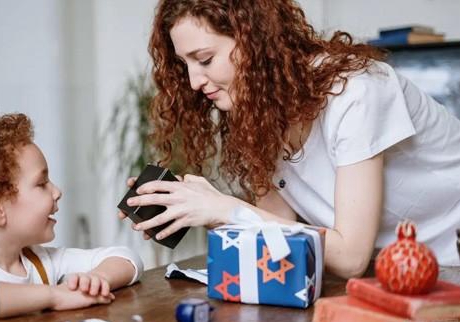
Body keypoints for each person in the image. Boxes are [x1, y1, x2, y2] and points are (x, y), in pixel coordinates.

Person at [119, 0, 460, 278]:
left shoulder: (358, 89)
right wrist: (191, 206)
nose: (194, 81)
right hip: (390, 276)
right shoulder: (257, 115)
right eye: (185, 65)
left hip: (448, 262)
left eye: (205, 59)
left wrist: (224, 208)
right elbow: (276, 231)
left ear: (255, 42)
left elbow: (350, 255)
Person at [0, 107, 143, 322]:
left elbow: (127, 258)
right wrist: (55, 296)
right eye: (42, 183)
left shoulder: (42, 261)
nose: (57, 191)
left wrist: (98, 279)